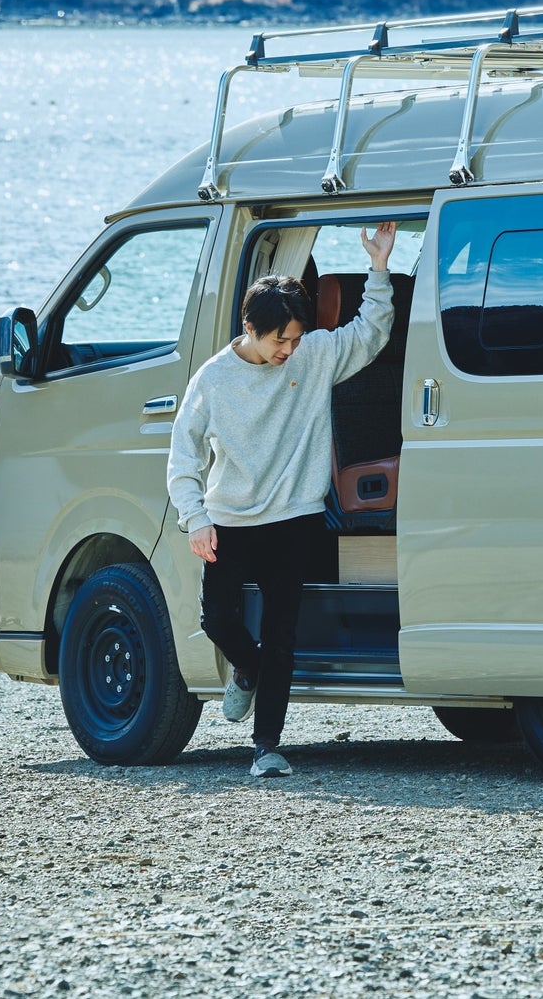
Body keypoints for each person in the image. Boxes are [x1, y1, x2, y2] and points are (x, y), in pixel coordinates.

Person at [168, 222, 399, 779]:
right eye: (279, 340)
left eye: (295, 338)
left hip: (295, 518)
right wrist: (195, 519)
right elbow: (183, 457)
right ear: (250, 328)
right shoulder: (213, 380)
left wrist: (379, 267)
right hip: (229, 519)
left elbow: (370, 333)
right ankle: (244, 672)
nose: (288, 350)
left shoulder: (313, 356)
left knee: (282, 634)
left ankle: (266, 745)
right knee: (218, 619)